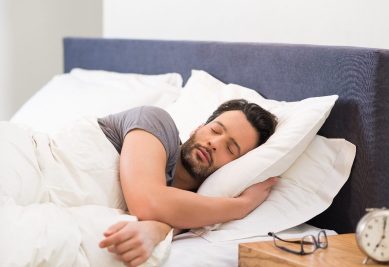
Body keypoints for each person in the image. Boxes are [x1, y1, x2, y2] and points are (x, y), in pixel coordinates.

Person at [97, 99, 278, 266]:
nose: (214, 143)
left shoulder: (197, 209)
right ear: (198, 128)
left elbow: (168, 211)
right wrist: (243, 205)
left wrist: (157, 229)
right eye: (215, 130)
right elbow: (148, 202)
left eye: (230, 149)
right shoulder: (155, 121)